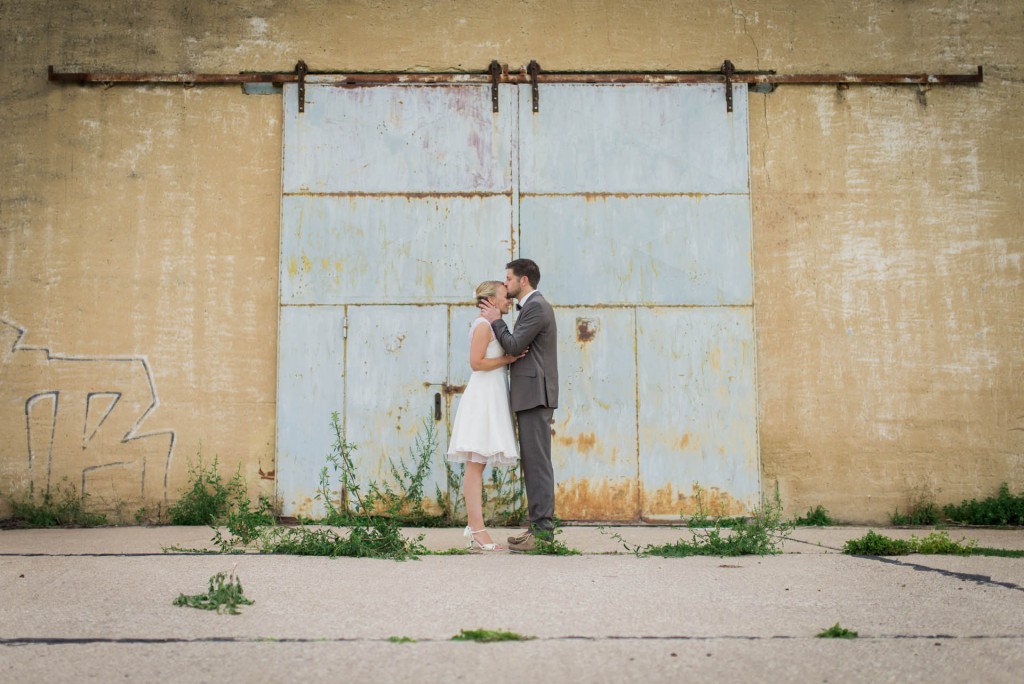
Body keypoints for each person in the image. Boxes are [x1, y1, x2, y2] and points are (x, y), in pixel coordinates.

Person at [479, 258, 559, 552]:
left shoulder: (536, 306)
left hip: (535, 395)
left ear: (523, 280)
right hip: (531, 395)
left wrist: (494, 321)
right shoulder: (532, 307)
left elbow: (513, 346)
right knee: (534, 462)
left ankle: (542, 533)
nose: (506, 283)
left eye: (509, 278)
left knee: (537, 463)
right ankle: (536, 529)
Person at [446, 281, 525, 552]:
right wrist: (509, 360)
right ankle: (477, 529)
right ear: (490, 300)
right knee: (475, 462)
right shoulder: (482, 325)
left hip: (493, 394)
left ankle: (475, 526)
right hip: (482, 397)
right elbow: (476, 363)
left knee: (477, 462)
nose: (509, 300)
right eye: (504, 296)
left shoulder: (492, 325)